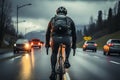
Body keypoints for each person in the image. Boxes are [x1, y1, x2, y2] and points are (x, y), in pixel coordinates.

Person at [45, 6, 76, 79]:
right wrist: (74, 45)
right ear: (65, 13)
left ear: (57, 12)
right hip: (66, 38)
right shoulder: (69, 20)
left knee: (54, 53)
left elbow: (47, 33)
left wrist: (47, 44)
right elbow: (74, 34)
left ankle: (53, 72)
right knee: (68, 45)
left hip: (55, 39)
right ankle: (67, 60)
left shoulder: (53, 19)